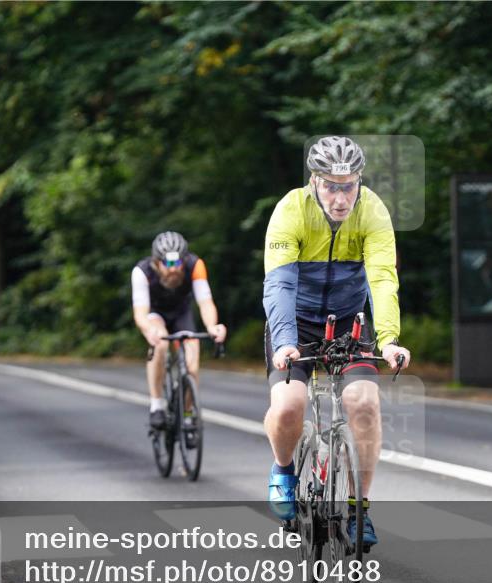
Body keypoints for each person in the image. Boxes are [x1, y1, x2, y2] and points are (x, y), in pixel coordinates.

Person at [262, 136, 411, 548]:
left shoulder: (372, 210)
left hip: (349, 320)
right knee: (288, 406)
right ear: (314, 180)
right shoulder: (291, 209)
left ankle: (358, 508)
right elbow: (279, 284)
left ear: (359, 180)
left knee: (364, 403)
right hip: (295, 321)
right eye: (331, 186)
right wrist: (285, 341)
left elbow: (382, 278)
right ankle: (283, 469)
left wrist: (389, 339)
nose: (341, 197)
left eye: (349, 186)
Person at [132, 231, 227, 431]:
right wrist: (149, 331)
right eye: (168, 263)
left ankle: (187, 413)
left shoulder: (195, 265)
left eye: (177, 263)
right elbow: (140, 314)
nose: (173, 269)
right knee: (160, 344)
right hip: (155, 315)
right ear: (157, 263)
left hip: (181, 314)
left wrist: (212, 327)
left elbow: (205, 302)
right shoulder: (142, 272)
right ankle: (157, 404)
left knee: (192, 366)